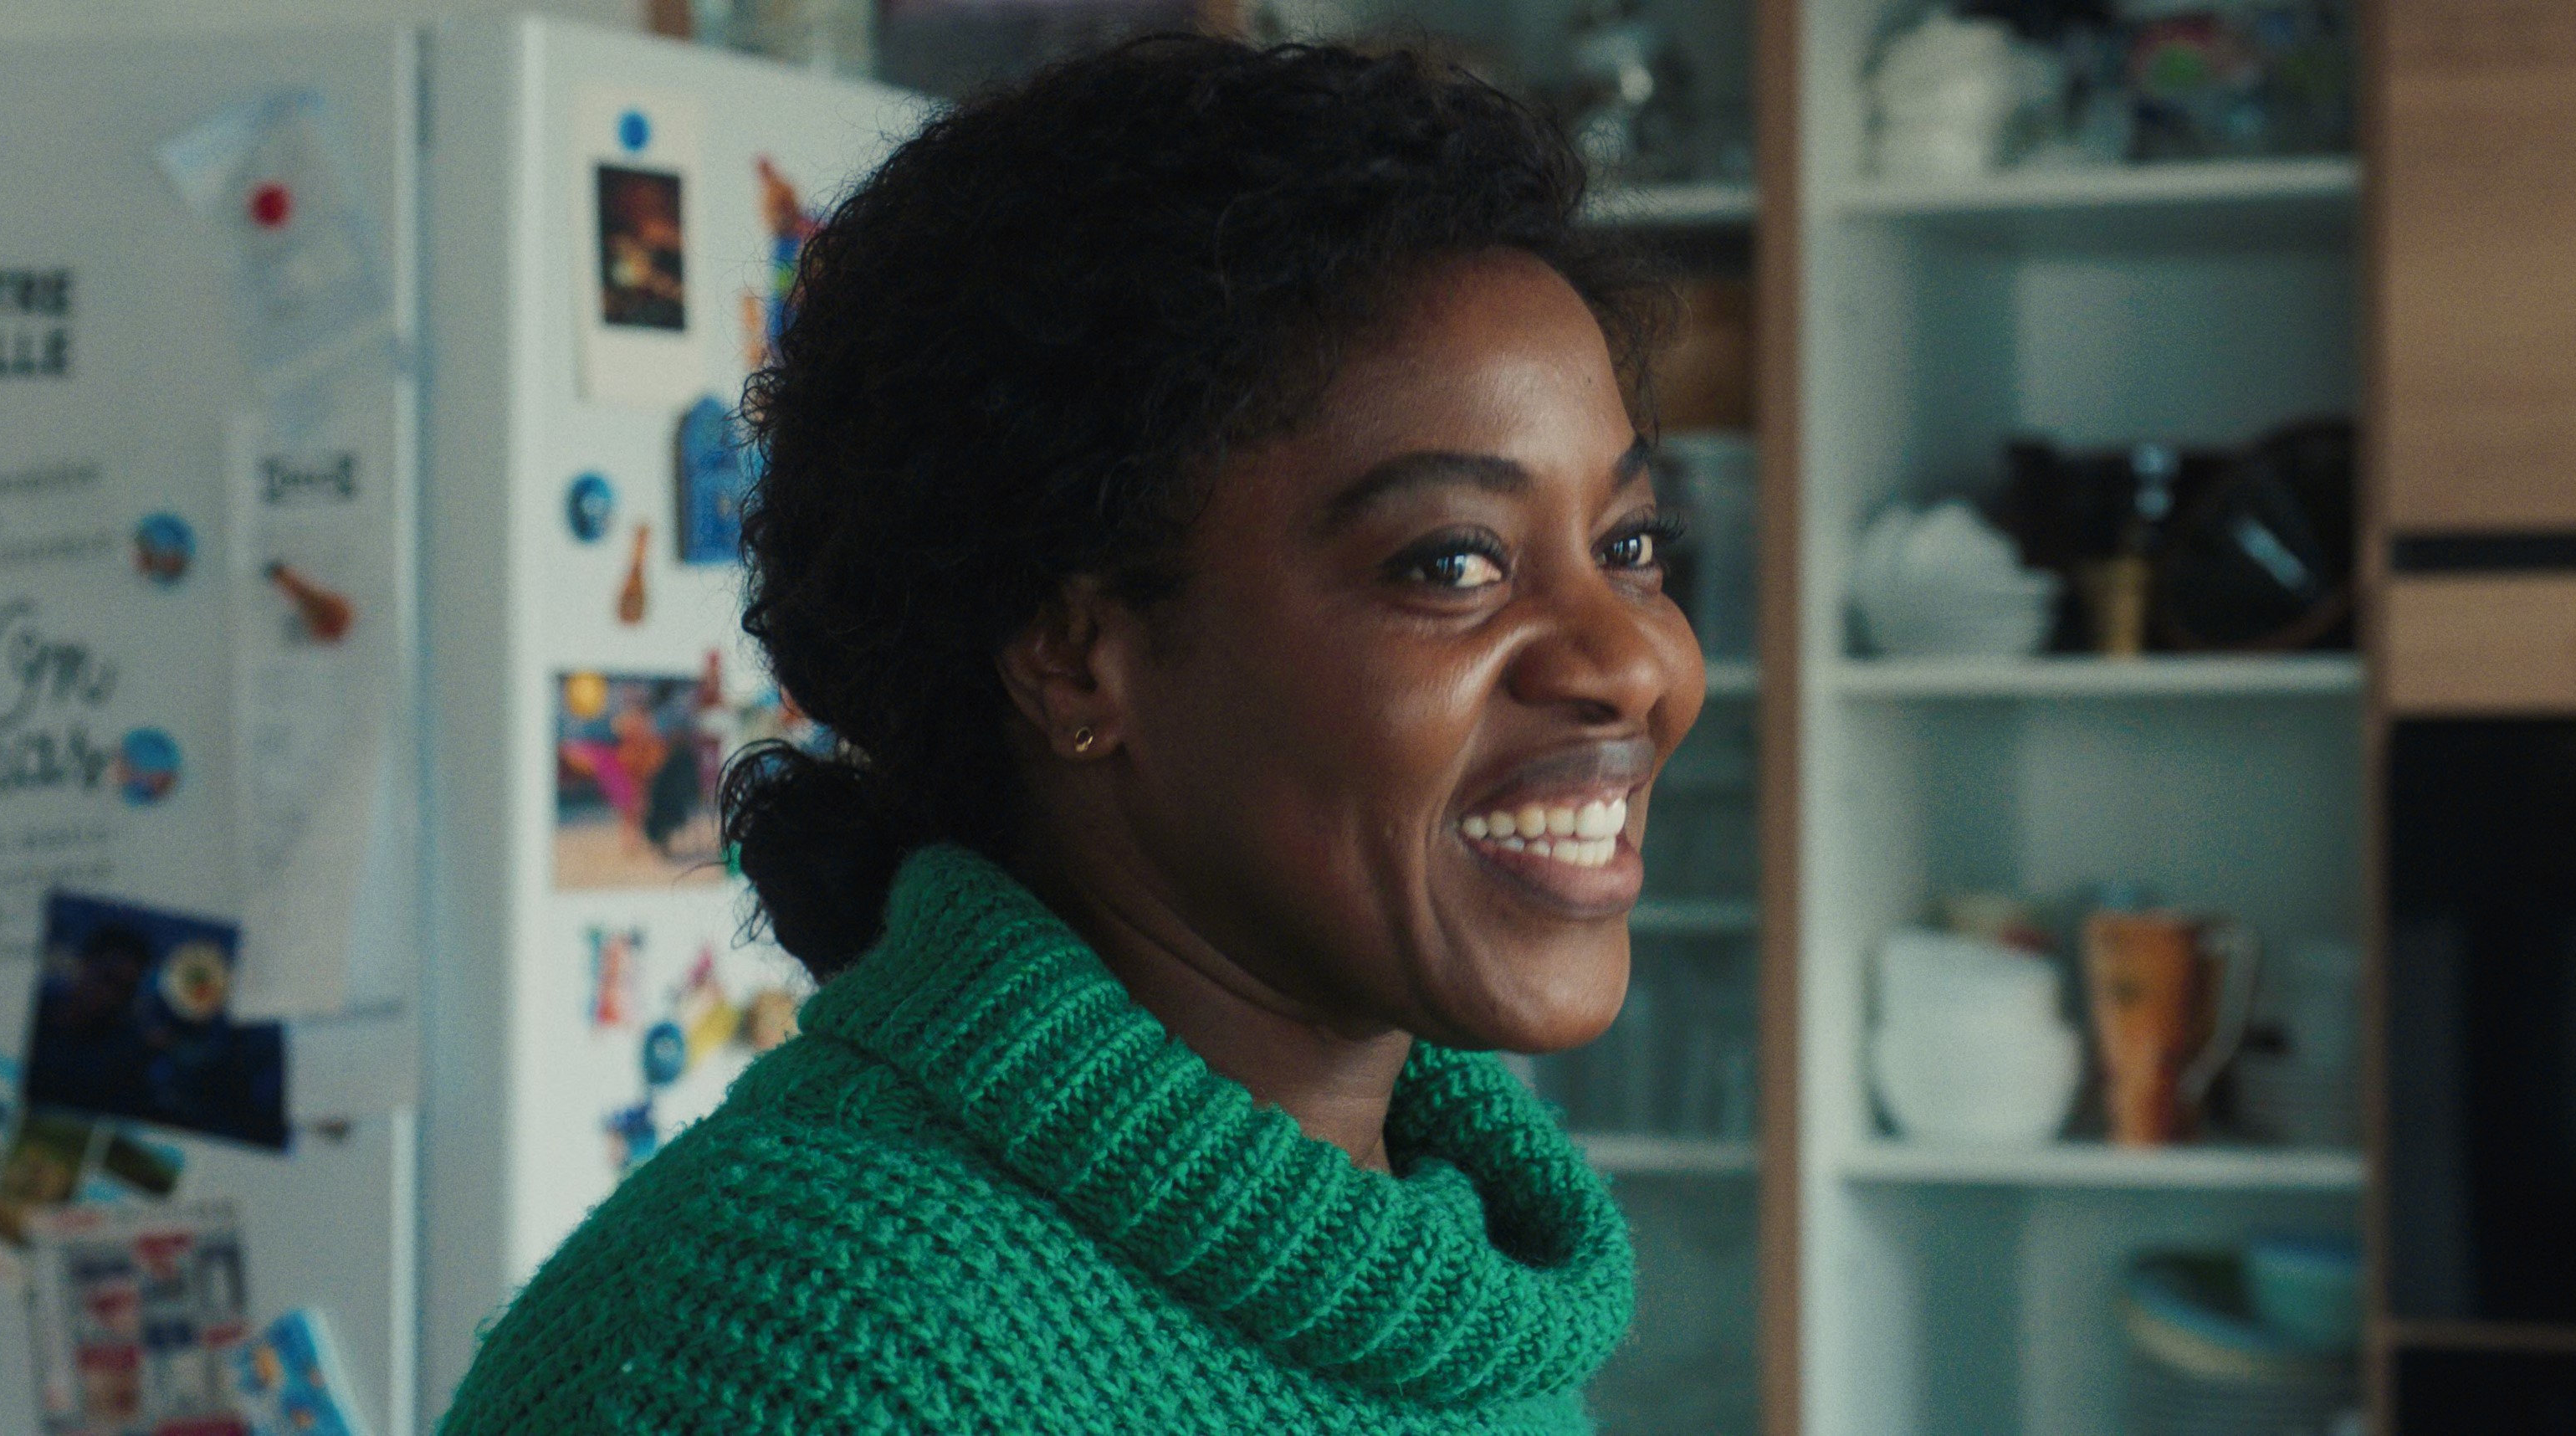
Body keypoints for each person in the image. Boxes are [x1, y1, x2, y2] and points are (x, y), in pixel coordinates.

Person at [442, 33, 1702, 1434]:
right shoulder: (799, 1350)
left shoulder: (1447, 1277)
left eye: (1629, 544)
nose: (1633, 662)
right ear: (1073, 658)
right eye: (1453, 564)